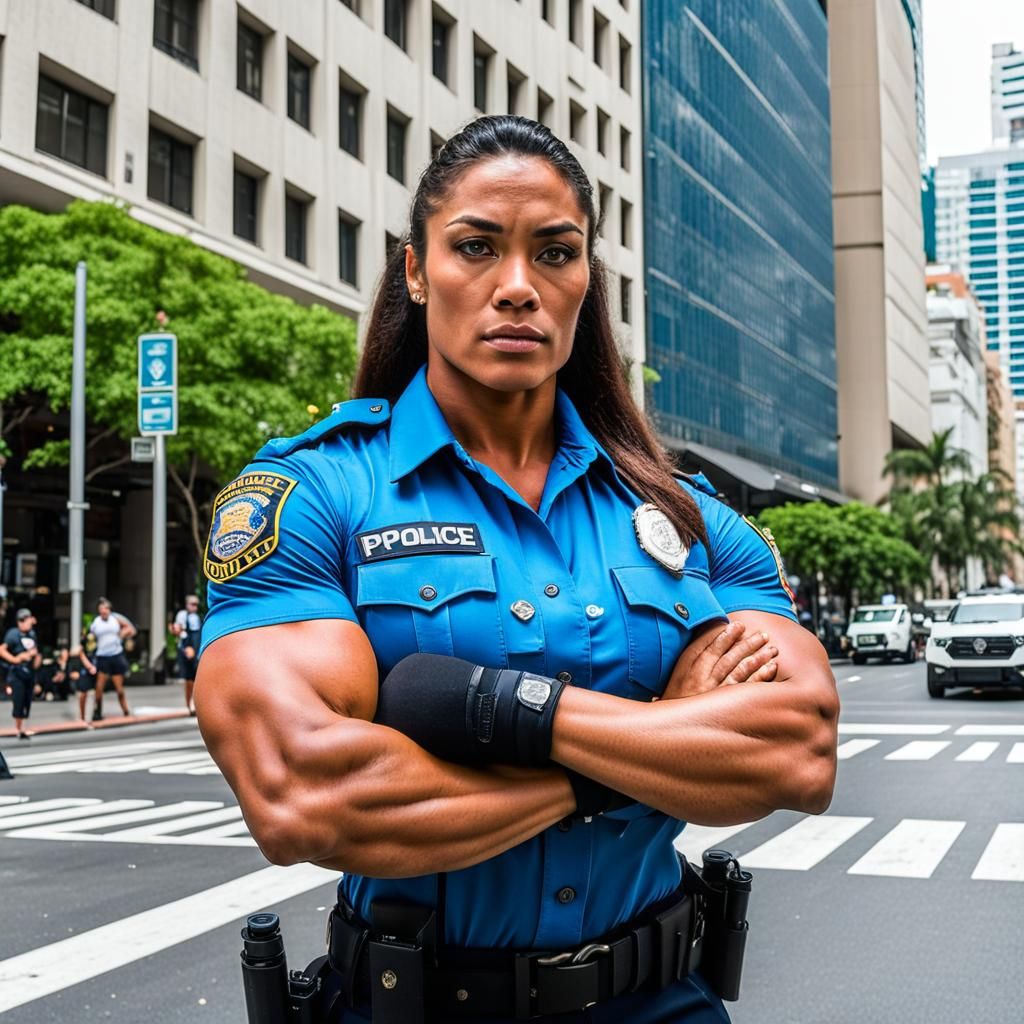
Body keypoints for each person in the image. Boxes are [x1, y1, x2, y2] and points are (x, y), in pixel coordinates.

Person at [196, 116, 838, 1023]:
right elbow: (304, 793)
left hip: (664, 1003)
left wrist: (488, 711)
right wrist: (647, 747)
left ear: (585, 281)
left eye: (555, 253)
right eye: (475, 247)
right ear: (416, 271)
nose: (517, 287)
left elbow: (798, 749)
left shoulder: (689, 517)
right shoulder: (312, 496)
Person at [88, 597, 135, 720]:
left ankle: (126, 711)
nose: (104, 611)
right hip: (102, 656)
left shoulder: (115, 619)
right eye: (102, 609)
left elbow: (131, 629)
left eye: (106, 609)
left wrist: (122, 635)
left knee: (119, 688)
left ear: (109, 610)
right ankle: (97, 712)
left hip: (116, 655)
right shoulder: (96, 622)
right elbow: (90, 637)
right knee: (99, 687)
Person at [1, 608, 42, 739]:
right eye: (28, 620)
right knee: (18, 699)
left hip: (29, 672)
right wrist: (15, 659)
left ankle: (23, 727)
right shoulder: (13, 634)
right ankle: (19, 729)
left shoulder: (32, 634)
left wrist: (36, 658)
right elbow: (2, 650)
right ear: (21, 621)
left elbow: (35, 650)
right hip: (17, 673)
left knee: (27, 700)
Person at [172, 594, 202, 715]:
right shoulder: (182, 615)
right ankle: (189, 704)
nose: (195, 607)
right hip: (187, 648)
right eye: (192, 604)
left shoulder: (198, 617)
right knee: (189, 679)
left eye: (196, 605)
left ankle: (195, 704)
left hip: (196, 649)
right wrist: (187, 648)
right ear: (187, 604)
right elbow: (178, 631)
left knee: (196, 679)